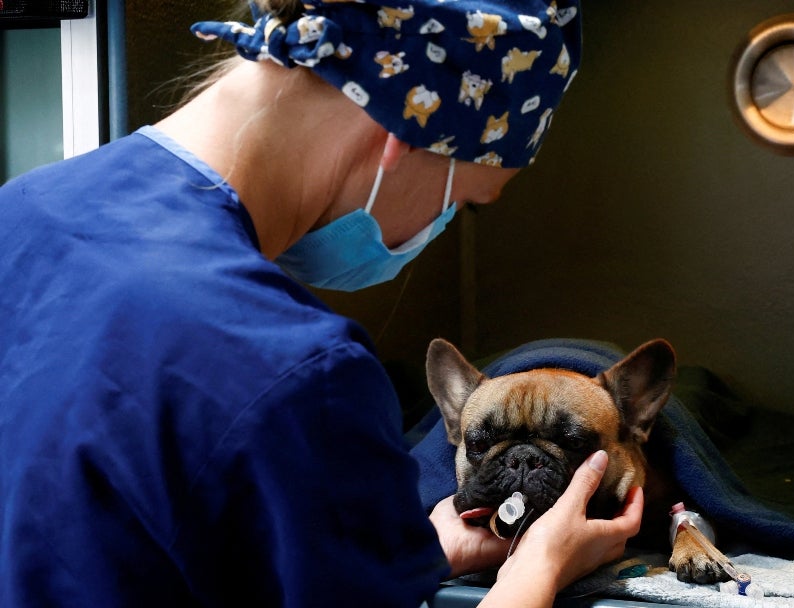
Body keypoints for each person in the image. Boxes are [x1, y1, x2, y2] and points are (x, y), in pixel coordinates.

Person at [0, 0, 643, 606]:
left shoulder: (21, 211)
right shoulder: (300, 370)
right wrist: (538, 571)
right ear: (408, 127)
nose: (440, 223)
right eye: (466, 200)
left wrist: (420, 554)